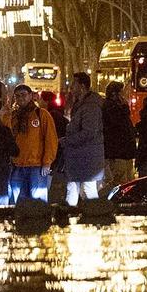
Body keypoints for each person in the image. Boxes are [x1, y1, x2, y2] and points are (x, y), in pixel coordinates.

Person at [61, 71, 105, 204]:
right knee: (77, 188)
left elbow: (89, 132)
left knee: (86, 189)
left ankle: (95, 217)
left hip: (87, 157)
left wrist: (66, 141)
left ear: (82, 86)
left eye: (74, 84)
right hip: (81, 156)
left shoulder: (90, 106)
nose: (71, 87)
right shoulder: (82, 104)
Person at [10, 85, 58, 201]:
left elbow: (50, 139)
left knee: (38, 203)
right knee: (18, 202)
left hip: (36, 166)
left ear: (30, 96)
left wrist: (47, 162)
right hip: (18, 165)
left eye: (24, 95)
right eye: (17, 96)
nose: (21, 98)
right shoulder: (13, 116)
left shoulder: (42, 114)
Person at [101, 81, 137, 192]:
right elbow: (116, 127)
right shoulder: (110, 107)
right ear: (114, 94)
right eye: (122, 92)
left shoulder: (119, 107)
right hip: (118, 151)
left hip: (124, 150)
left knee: (127, 180)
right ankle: (103, 199)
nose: (124, 94)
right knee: (119, 180)